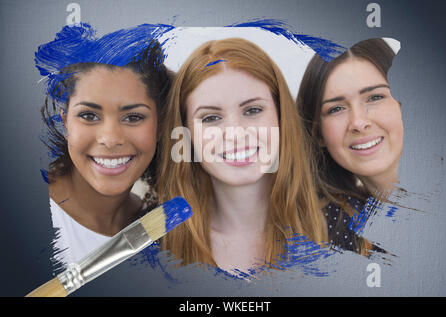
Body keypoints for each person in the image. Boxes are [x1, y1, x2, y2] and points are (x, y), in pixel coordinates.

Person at [155, 38, 327, 274]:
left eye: (253, 110)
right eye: (210, 118)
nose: (235, 134)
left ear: (280, 116)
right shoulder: (157, 246)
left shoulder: (344, 229)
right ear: (186, 135)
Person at [37, 24, 172, 267]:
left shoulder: (159, 230)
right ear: (65, 120)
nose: (110, 139)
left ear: (160, 125)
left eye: (133, 117)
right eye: (89, 116)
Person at [297, 38, 402, 254]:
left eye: (374, 97)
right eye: (336, 109)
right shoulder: (326, 230)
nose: (358, 122)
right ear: (318, 135)